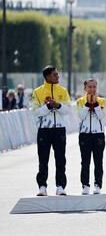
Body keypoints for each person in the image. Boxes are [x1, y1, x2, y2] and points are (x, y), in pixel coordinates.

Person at [32, 65, 71, 196]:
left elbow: (68, 110)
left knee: (60, 159)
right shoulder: (37, 91)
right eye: (55, 74)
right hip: (44, 130)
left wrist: (58, 105)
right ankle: (42, 187)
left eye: (57, 74)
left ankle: (60, 186)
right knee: (43, 159)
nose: (57, 76)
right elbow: (35, 112)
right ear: (48, 77)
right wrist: (48, 106)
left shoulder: (63, 90)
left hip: (59, 129)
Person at [76, 79, 106, 195]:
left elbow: (101, 116)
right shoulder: (80, 101)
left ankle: (98, 184)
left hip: (98, 135)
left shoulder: (102, 101)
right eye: (90, 87)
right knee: (85, 162)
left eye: (94, 87)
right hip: (84, 135)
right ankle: (85, 185)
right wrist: (87, 104)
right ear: (85, 89)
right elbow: (81, 116)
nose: (92, 89)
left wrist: (96, 104)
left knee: (98, 161)